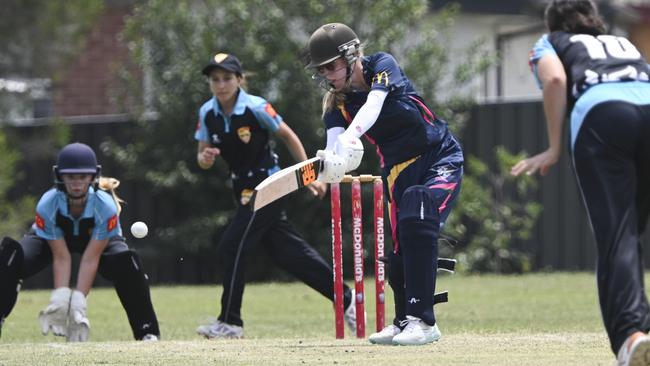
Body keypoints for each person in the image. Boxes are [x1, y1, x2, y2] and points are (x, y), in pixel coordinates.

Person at [305, 23, 464, 346]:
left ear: (351, 56)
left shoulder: (381, 65)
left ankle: (425, 322)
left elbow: (374, 105)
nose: (328, 76)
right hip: (398, 171)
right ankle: (404, 320)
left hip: (439, 157)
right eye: (322, 70)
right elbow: (336, 147)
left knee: (419, 212)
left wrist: (351, 137)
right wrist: (330, 165)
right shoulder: (336, 105)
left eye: (332, 67)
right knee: (399, 247)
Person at [511, 0, 650, 364]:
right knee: (633, 232)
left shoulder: (550, 41)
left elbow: (555, 78)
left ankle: (631, 336)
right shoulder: (622, 41)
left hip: (604, 116)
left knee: (618, 234)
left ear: (552, 22)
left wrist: (554, 148)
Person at [194, 52, 359, 339]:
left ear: (239, 80)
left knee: (231, 247)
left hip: (269, 185)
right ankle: (347, 300)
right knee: (288, 254)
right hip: (242, 190)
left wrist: (309, 176)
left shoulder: (256, 107)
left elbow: (288, 136)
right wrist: (206, 158)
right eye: (215, 79)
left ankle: (230, 322)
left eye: (227, 78)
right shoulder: (207, 112)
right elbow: (202, 157)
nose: (221, 85)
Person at [0, 142, 160, 342]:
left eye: (82, 177)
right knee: (10, 254)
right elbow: (61, 256)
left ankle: (147, 331)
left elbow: (90, 259)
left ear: (93, 176)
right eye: (71, 177)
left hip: (96, 244)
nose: (76, 183)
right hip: (51, 242)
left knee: (129, 262)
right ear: (60, 176)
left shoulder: (105, 207)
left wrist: (78, 302)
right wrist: (61, 297)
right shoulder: (48, 203)